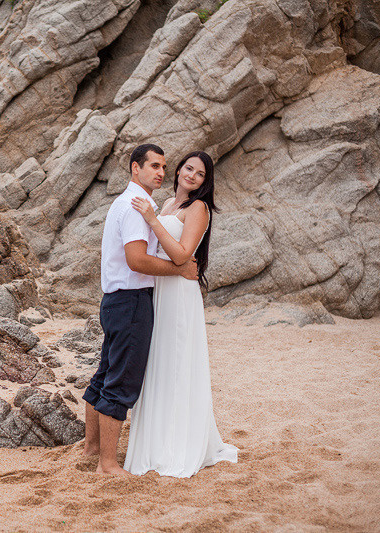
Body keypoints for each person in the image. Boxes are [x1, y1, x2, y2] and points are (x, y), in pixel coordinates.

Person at [82, 144, 199, 475]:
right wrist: (178, 269)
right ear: (136, 168)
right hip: (131, 300)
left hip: (116, 299)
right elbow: (136, 259)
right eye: (153, 166)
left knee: (106, 372)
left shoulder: (129, 202)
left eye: (164, 166)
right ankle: (107, 463)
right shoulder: (136, 206)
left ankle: (92, 448)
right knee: (121, 381)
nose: (160, 172)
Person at [124, 150, 238, 477]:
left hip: (178, 293)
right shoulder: (169, 205)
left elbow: (181, 255)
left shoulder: (198, 208)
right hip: (158, 289)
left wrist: (152, 220)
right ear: (178, 171)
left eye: (199, 174)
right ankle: (154, 439)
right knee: (156, 363)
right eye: (188, 168)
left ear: (205, 181)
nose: (191, 175)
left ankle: (174, 445)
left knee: (174, 363)